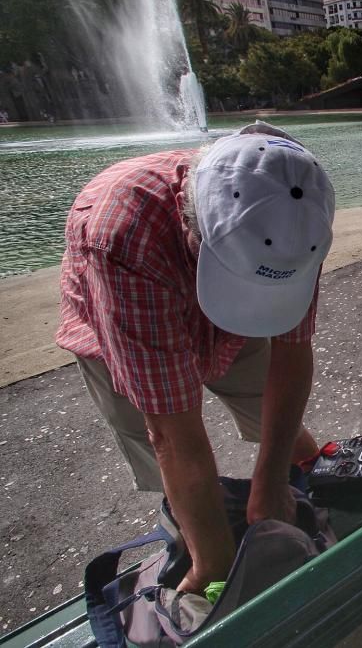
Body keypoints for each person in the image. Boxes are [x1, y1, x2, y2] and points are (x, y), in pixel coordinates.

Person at [56, 121, 334, 598]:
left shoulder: (298, 211)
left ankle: (313, 481)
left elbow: (291, 353)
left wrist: (269, 479)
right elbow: (173, 436)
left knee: (278, 428)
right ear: (195, 230)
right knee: (165, 448)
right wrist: (215, 566)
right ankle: (196, 536)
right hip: (124, 301)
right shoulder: (122, 238)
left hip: (215, 278)